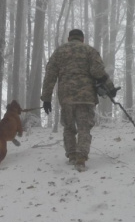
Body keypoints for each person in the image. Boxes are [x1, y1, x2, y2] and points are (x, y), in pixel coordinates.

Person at [40, 28, 117, 172]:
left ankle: (72, 155)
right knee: (84, 128)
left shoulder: (59, 52)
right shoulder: (89, 51)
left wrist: (46, 98)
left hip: (66, 97)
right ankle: (81, 159)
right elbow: (98, 72)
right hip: (85, 97)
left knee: (69, 127)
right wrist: (110, 88)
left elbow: (50, 75)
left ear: (69, 39)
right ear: (82, 39)